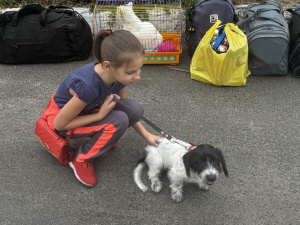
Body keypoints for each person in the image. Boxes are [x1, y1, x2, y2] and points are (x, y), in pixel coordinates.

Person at [41, 29, 161, 187]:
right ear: (108, 66)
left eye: (139, 69)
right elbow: (59, 124)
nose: (137, 77)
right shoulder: (88, 86)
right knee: (117, 121)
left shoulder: (117, 75)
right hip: (62, 121)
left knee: (134, 109)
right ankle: (82, 158)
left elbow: (127, 109)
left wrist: (146, 135)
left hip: (87, 110)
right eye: (131, 72)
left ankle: (103, 136)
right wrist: (99, 116)